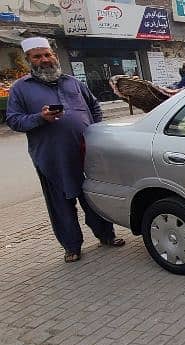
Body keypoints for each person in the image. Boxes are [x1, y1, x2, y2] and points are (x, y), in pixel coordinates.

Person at [6, 37, 125, 263]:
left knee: (92, 198)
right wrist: (39, 118)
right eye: (37, 56)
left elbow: (94, 107)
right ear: (28, 60)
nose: (44, 60)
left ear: (55, 56)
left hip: (86, 155)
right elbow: (14, 120)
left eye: (47, 54)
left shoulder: (72, 82)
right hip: (52, 159)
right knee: (61, 205)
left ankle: (106, 236)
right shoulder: (20, 89)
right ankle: (71, 247)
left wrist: (96, 133)